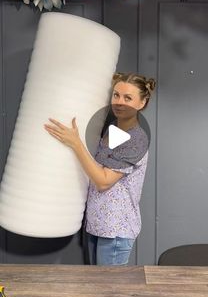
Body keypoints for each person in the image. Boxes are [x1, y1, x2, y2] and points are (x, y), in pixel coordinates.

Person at [44, 72, 156, 265]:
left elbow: (103, 182)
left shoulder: (136, 140)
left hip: (115, 231)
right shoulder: (113, 128)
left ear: (142, 103)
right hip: (97, 224)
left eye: (128, 98)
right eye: (116, 95)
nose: (119, 102)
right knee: (97, 288)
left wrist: (76, 143)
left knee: (108, 291)